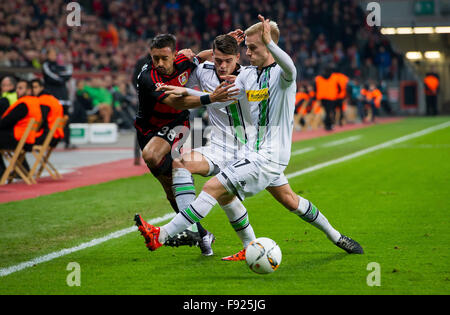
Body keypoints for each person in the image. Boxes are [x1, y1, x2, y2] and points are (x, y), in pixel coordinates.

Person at [135, 15, 363, 258]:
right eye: (246, 48)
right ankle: (223, 239)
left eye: (250, 49)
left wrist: (271, 44)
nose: (246, 53)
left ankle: (162, 235)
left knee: (280, 198)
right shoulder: (247, 75)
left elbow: (290, 69)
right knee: (199, 175)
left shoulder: (276, 75)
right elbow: (213, 89)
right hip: (239, 150)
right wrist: (183, 88)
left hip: (261, 152)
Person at [133, 33, 237, 256]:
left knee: (151, 156)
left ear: (174, 54)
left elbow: (206, 55)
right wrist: (210, 97)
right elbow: (175, 100)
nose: (159, 63)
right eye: (155, 58)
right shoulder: (148, 77)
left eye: (164, 58)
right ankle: (202, 236)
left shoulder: (185, 61)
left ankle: (185, 171)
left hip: (176, 125)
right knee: (172, 194)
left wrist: (226, 39)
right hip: (147, 130)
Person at [0, 80, 42, 176]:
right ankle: (23, 170)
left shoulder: (24, 104)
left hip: (20, 139)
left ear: (28, 91)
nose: (17, 91)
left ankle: (2, 172)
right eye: (17, 88)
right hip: (27, 139)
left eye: (20, 88)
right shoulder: (35, 102)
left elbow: (6, 121)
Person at [42, 48, 73, 148]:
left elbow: (68, 74)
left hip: (63, 97)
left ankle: (67, 141)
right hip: (52, 97)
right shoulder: (46, 65)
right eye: (52, 54)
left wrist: (59, 76)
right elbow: (51, 77)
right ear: (47, 55)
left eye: (55, 54)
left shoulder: (60, 66)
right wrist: (61, 78)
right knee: (50, 119)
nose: (54, 56)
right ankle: (49, 141)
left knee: (66, 119)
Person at [31, 79, 64, 147]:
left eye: (35, 87)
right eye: (31, 87)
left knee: (22, 139)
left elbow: (41, 120)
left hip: (47, 136)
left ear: (42, 87)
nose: (33, 90)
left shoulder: (43, 101)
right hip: (55, 135)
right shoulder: (52, 98)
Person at [315, 66, 340, 131]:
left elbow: (315, 88)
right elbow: (339, 87)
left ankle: (327, 124)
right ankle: (328, 125)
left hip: (322, 97)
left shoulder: (318, 78)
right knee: (329, 111)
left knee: (326, 111)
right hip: (331, 97)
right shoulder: (334, 77)